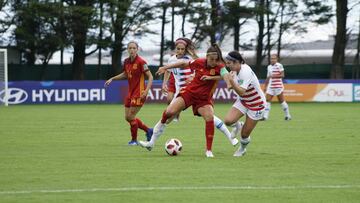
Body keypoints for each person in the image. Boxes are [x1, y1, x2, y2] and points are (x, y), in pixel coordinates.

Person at [139, 44, 233, 158]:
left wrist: (228, 83)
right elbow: (183, 63)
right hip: (189, 93)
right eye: (211, 59)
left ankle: (209, 150)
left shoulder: (220, 66)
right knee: (169, 112)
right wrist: (166, 67)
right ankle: (151, 142)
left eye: (215, 59)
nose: (213, 62)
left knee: (209, 117)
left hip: (203, 99)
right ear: (207, 57)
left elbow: (226, 74)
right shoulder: (200, 62)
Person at [161, 37, 239, 144]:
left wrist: (194, 76)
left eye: (182, 49)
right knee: (168, 115)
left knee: (210, 118)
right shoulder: (172, 60)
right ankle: (153, 136)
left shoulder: (195, 59)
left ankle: (231, 137)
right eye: (178, 49)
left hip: (198, 93)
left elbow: (220, 74)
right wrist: (165, 79)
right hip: (185, 92)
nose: (180, 51)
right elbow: (172, 69)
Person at [104, 41, 153, 145]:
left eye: (134, 48)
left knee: (131, 116)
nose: (132, 50)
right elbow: (125, 74)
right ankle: (148, 130)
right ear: (127, 49)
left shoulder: (141, 62)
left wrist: (146, 90)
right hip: (130, 92)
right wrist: (112, 78)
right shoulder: (126, 61)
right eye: (130, 48)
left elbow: (150, 76)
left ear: (137, 49)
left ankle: (134, 140)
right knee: (128, 117)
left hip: (139, 93)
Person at [222, 51, 266, 157]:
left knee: (245, 135)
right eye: (226, 63)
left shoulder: (245, 71)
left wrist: (231, 81)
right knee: (228, 121)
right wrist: (229, 80)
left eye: (229, 63)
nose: (227, 65)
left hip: (256, 104)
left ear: (237, 62)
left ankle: (242, 149)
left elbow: (241, 91)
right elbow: (229, 87)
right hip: (243, 101)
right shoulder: (235, 70)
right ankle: (238, 125)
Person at [263, 54, 291, 120]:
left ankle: (288, 115)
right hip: (270, 86)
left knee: (281, 101)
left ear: (276, 59)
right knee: (267, 100)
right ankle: (265, 116)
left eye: (274, 58)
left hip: (278, 86)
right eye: (271, 58)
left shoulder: (279, 65)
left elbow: (282, 75)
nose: (272, 60)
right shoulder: (269, 67)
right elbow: (268, 77)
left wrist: (273, 76)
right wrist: (265, 86)